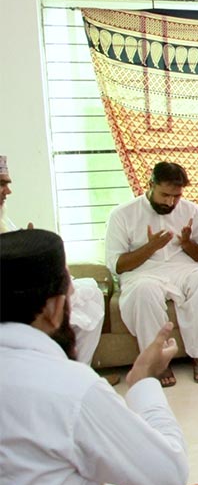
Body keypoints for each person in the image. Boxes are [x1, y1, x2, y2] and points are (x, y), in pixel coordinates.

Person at [0, 228, 189, 485]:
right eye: (70, 291)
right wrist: (143, 383)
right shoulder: (70, 389)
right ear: (54, 307)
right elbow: (169, 476)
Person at [106, 162, 198, 387]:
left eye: (176, 196)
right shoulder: (122, 214)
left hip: (183, 268)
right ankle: (158, 361)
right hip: (142, 273)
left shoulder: (191, 211)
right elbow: (116, 265)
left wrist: (186, 243)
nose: (170, 202)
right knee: (144, 291)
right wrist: (150, 247)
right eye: (165, 195)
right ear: (150, 185)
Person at [0, 154, 109, 375]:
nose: (8, 191)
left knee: (91, 294)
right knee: (85, 298)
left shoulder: (3, 217)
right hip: (14, 301)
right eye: (2, 184)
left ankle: (77, 370)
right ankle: (71, 372)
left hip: (23, 291)